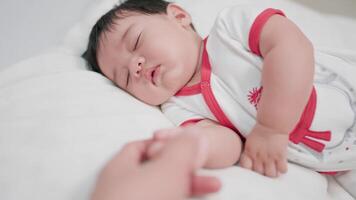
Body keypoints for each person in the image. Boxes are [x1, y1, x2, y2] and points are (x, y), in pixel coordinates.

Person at [83, 0, 356, 181]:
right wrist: (189, 149)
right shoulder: (178, 108)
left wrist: (272, 128)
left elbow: (292, 47)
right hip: (342, 159)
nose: (136, 66)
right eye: (124, 77)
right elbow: (227, 144)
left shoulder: (232, 28)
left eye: (136, 41)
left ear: (178, 16)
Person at [91, 129, 221, 200]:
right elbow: (230, 139)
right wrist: (201, 142)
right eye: (126, 81)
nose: (135, 77)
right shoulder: (177, 107)